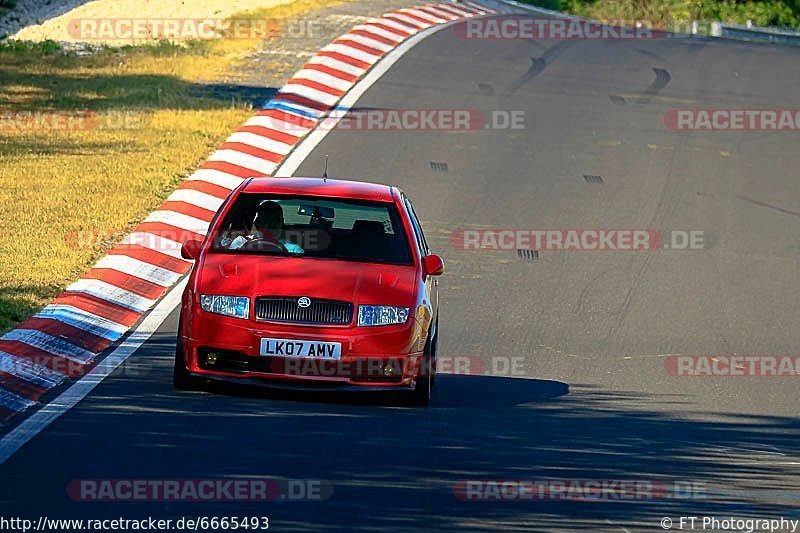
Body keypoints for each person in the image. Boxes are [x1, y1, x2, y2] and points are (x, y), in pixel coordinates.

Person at [229, 201, 304, 254]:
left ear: (282, 222)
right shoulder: (241, 242)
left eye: (277, 220)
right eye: (267, 220)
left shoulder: (294, 250)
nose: (273, 225)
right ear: (258, 223)